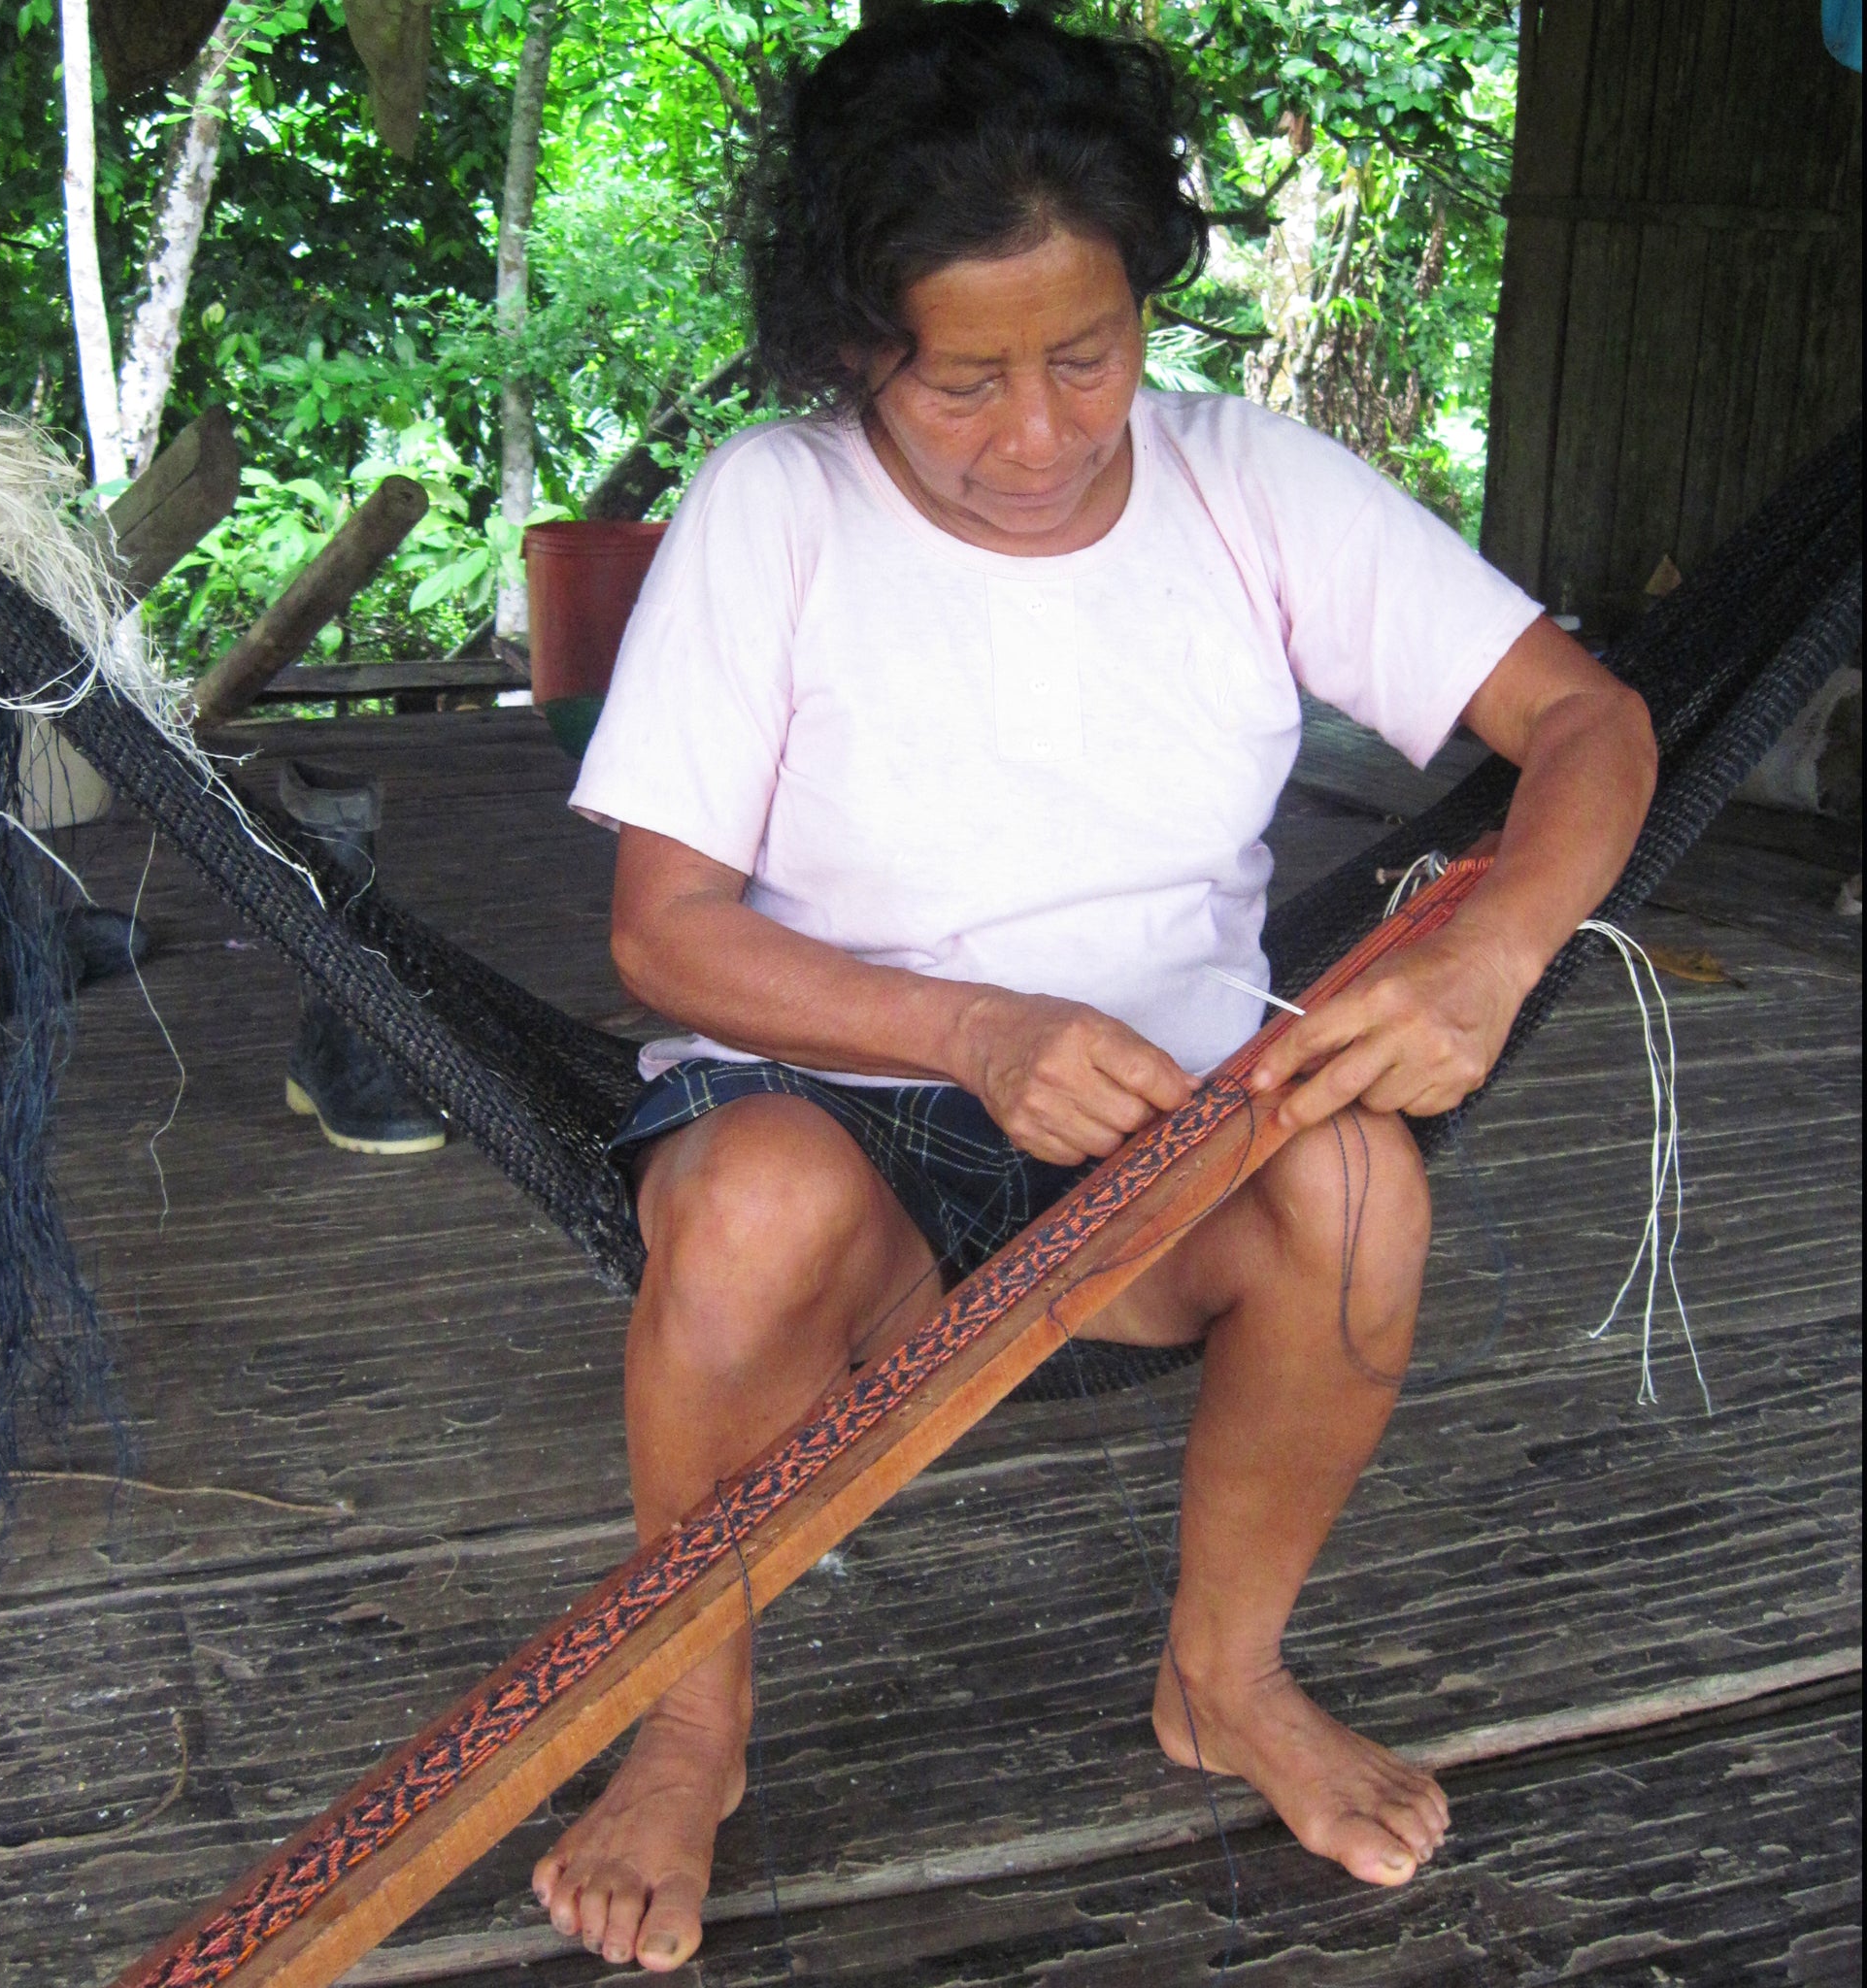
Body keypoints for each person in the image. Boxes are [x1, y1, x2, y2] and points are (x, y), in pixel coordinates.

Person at [536, 5, 1656, 1971]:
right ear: (853, 344)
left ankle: (1224, 1674)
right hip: (835, 1119)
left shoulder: (1251, 487)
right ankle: (689, 1730)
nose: (1037, 437)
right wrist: (971, 1030)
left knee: (1361, 1192)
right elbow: (666, 932)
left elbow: (1587, 721)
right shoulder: (776, 509)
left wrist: (1498, 941)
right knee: (748, 1213)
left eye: (1086, 354)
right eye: (960, 382)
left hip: (1159, 1140)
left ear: (1147, 300)